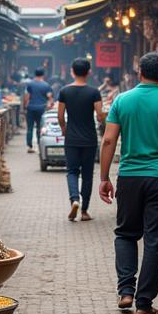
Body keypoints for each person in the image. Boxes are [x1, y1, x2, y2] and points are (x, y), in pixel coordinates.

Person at [99, 52, 158, 314]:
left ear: (139, 72)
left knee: (126, 233)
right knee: (154, 241)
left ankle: (125, 290)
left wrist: (104, 177)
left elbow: (108, 140)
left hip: (129, 176)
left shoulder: (122, 100)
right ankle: (144, 304)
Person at [58, 58, 104, 222]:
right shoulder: (94, 92)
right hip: (89, 139)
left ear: (72, 71)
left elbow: (60, 115)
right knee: (87, 175)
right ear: (89, 72)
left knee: (71, 171)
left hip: (71, 138)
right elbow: (99, 116)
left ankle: (74, 199)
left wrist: (64, 129)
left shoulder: (64, 91)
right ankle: (84, 211)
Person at [22, 68, 52, 153]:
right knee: (40, 127)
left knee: (30, 128)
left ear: (35, 74)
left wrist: (25, 106)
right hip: (41, 109)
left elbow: (27, 96)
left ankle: (30, 147)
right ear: (43, 75)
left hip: (31, 108)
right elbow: (49, 97)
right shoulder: (46, 85)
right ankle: (39, 146)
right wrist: (50, 104)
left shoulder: (30, 84)